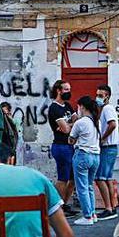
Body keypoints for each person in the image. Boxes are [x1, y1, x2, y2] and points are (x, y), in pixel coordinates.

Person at [58, 97, 102, 226]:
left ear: (82, 107)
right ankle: (92, 214)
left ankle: (87, 216)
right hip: (95, 156)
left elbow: (71, 139)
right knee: (89, 186)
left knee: (81, 187)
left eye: (79, 107)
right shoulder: (96, 122)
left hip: (83, 155)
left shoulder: (80, 122)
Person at [48, 80, 78, 216]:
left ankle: (64, 204)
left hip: (70, 146)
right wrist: (68, 125)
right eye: (66, 89)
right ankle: (56, 207)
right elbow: (66, 130)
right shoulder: (54, 108)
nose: (68, 92)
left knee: (72, 179)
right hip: (61, 146)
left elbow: (76, 122)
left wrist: (67, 125)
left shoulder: (67, 106)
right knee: (63, 178)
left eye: (69, 89)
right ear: (58, 90)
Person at [95, 85, 119, 220]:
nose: (98, 98)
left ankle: (108, 208)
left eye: (100, 95)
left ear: (107, 97)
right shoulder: (105, 109)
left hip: (107, 147)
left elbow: (112, 125)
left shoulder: (107, 109)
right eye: (97, 95)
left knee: (100, 178)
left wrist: (103, 138)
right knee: (108, 178)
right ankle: (112, 206)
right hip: (110, 148)